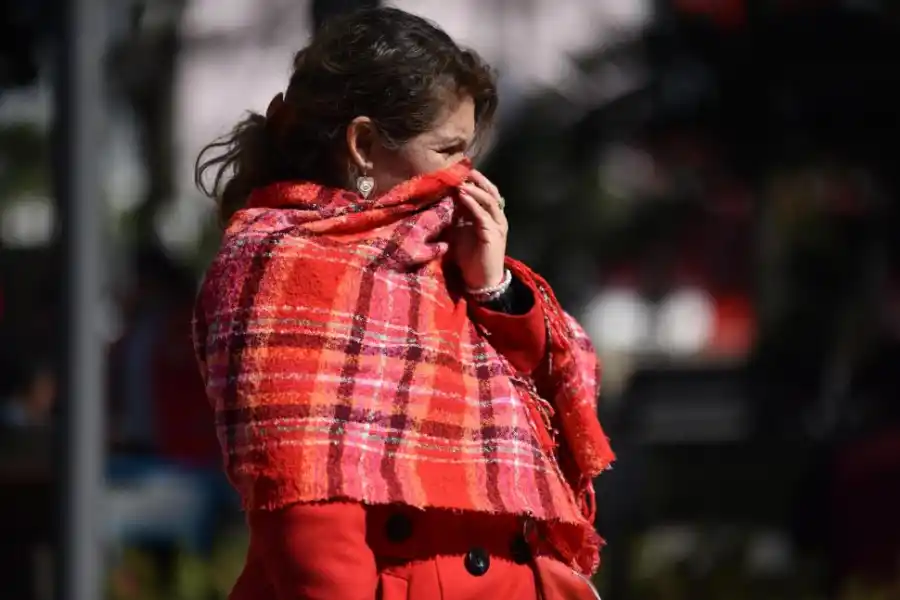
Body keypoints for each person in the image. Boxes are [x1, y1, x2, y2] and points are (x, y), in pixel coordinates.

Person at [192, 7, 613, 600]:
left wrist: (493, 288)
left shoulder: (442, 249)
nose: (466, 177)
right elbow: (309, 509)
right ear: (364, 144)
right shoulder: (281, 267)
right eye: (448, 151)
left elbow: (553, 408)